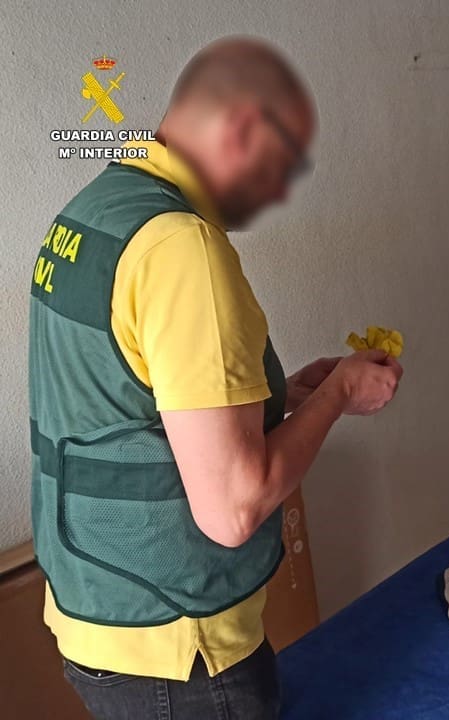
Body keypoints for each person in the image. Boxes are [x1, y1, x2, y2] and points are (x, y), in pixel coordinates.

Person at [28, 36, 402, 719]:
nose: (281, 191)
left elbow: (128, 399)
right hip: (179, 641)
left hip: (96, 613)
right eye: (283, 165)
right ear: (243, 130)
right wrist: (342, 393)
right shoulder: (182, 248)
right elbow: (234, 509)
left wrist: (285, 394)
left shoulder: (94, 214)